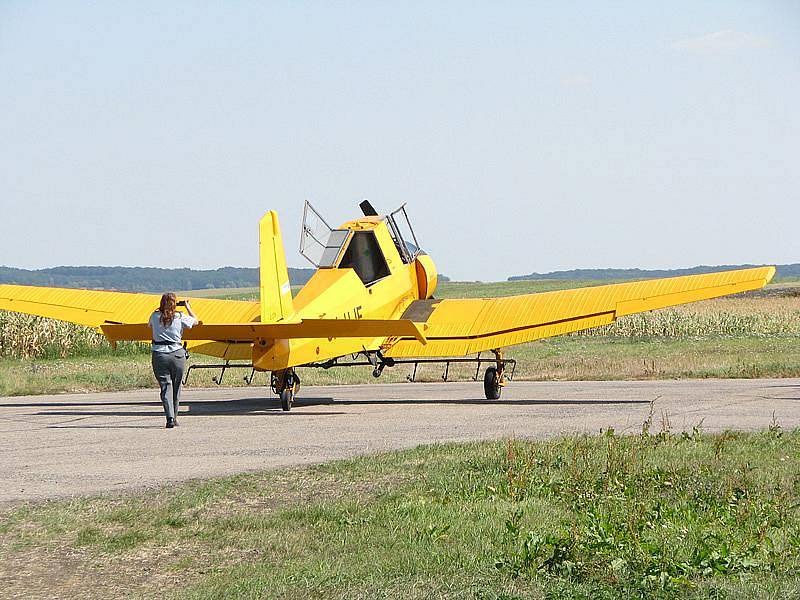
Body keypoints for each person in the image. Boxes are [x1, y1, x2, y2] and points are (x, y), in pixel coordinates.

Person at [149, 293, 197, 428]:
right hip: (177, 354)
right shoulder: (180, 317)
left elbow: (149, 326)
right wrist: (187, 307)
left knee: (166, 387)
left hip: (159, 354)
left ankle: (169, 418)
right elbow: (196, 321)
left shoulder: (154, 316)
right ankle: (174, 417)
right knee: (177, 387)